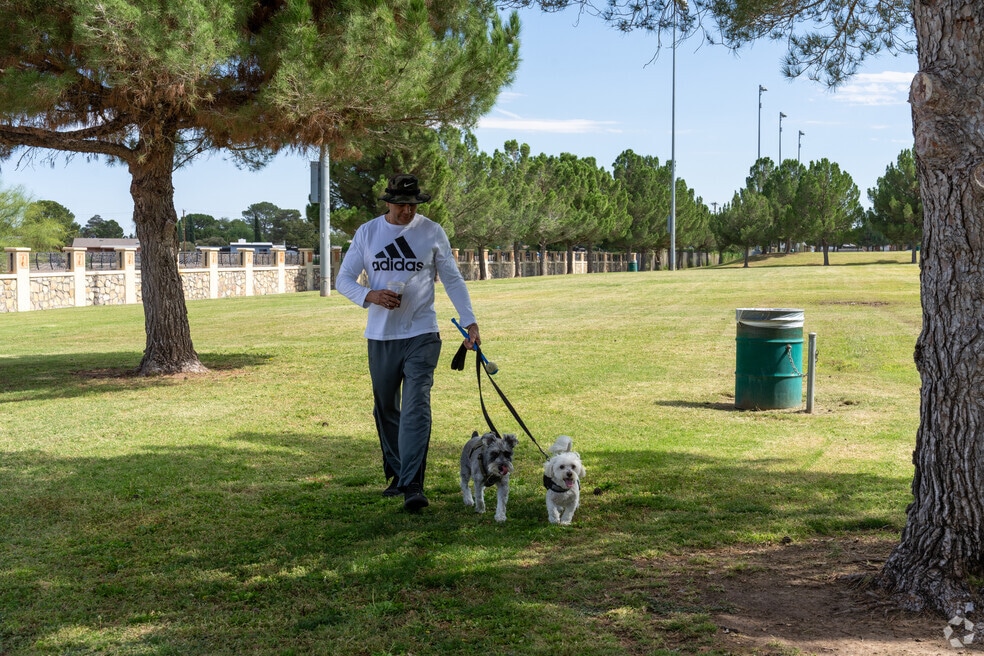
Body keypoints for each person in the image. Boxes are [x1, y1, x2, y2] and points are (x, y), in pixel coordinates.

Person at [335, 173, 480, 512]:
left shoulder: (431, 231)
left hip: (422, 334)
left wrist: (470, 320)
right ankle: (398, 473)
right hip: (381, 336)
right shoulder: (368, 233)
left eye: (412, 205)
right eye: (401, 204)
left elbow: (453, 279)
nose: (406, 210)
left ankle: (413, 483)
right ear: (388, 202)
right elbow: (343, 279)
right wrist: (369, 294)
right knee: (385, 407)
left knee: (416, 405)